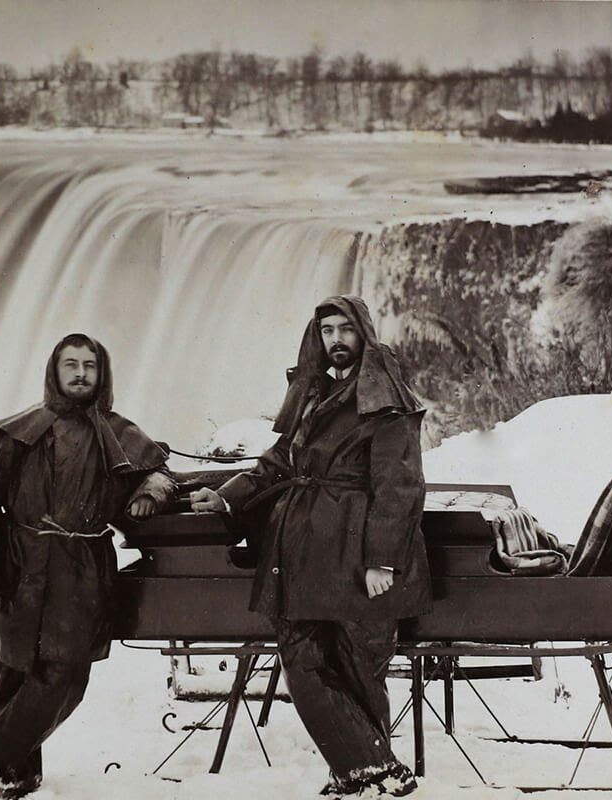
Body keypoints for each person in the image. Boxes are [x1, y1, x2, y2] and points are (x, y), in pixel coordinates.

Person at [190, 296, 431, 799]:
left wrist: (380, 560)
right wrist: (226, 496)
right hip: (300, 551)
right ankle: (371, 768)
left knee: (360, 668)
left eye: (345, 329)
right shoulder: (311, 394)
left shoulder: (387, 400)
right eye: (327, 331)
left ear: (363, 333)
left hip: (356, 553)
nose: (336, 340)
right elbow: (276, 463)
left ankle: (361, 774)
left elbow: (400, 488)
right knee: (301, 657)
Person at [0, 333, 175, 799]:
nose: (80, 373)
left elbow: (160, 471)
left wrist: (148, 493)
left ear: (103, 373)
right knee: (8, 666)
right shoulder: (17, 434)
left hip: (82, 570)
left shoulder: (118, 433)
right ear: (54, 372)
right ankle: (15, 773)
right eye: (70, 364)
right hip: (19, 565)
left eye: (89, 366)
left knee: (67, 675)